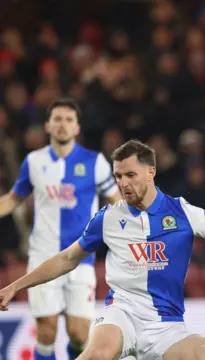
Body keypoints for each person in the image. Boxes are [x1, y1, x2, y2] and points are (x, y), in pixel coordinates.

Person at [0, 140, 205, 360]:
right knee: (96, 354)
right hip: (123, 314)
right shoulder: (108, 217)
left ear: (151, 172)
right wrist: (16, 287)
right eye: (118, 176)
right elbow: (66, 258)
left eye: (130, 175)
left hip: (166, 324)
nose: (123, 183)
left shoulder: (184, 213)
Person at [0, 98, 121, 360]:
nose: (62, 125)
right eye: (57, 119)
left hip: (82, 259)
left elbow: (116, 200)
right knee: (46, 332)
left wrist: (144, 218)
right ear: (47, 125)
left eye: (68, 120)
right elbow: (13, 199)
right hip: (42, 256)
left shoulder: (95, 162)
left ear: (77, 128)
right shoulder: (34, 161)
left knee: (79, 334)